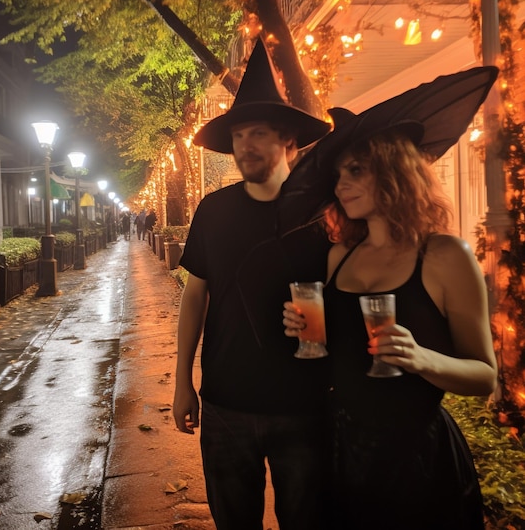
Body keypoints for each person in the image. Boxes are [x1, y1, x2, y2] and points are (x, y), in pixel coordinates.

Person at [283, 117, 498, 529]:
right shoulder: (339, 254)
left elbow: (484, 375)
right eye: (338, 174)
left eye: (356, 170)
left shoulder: (444, 256)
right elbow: (336, 359)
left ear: (395, 171)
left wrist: (421, 359)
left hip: (417, 459)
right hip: (340, 451)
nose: (341, 184)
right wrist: (307, 331)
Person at [173, 38, 333, 530]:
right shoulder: (214, 211)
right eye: (239, 135)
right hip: (225, 403)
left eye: (258, 133)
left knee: (306, 521)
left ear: (287, 141)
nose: (245, 145)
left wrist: (323, 325)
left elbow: (350, 293)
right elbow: (195, 295)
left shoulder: (321, 214)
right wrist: (183, 382)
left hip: (303, 405)